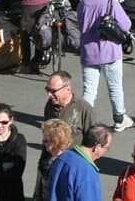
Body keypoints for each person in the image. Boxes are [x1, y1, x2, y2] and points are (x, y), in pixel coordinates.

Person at [77, 0, 134, 132]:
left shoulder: (83, 3)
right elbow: (126, 25)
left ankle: (82, 121)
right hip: (109, 51)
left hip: (89, 51)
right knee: (115, 86)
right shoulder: (111, 2)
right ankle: (119, 118)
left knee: (89, 90)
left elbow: (81, 25)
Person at [36, 72, 96, 201]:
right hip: (50, 162)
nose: (49, 94)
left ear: (67, 89)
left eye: (53, 91)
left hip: (71, 166)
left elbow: (92, 139)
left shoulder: (83, 108)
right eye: (47, 90)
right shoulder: (50, 106)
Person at [47, 124, 114, 201]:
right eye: (106, 148)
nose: (105, 151)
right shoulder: (87, 172)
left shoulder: (62, 157)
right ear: (97, 147)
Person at [37, 119, 73, 201]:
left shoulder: (69, 164)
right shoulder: (47, 157)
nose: (43, 143)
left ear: (56, 141)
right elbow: (40, 187)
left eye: (45, 141)